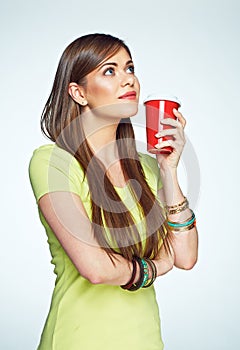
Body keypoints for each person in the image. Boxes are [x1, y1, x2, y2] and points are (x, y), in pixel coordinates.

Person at [29, 33, 198, 350]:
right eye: (110, 70)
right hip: (77, 339)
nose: (128, 80)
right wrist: (156, 267)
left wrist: (169, 169)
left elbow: (186, 257)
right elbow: (94, 268)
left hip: (145, 340)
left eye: (130, 68)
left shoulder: (147, 168)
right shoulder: (53, 162)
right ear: (79, 93)